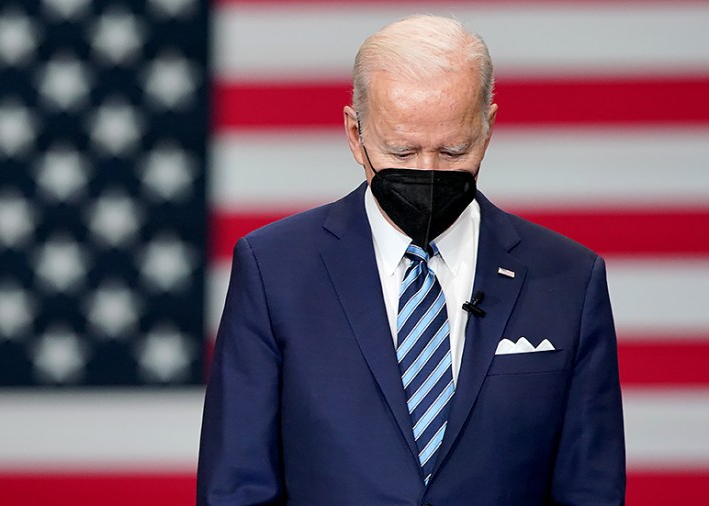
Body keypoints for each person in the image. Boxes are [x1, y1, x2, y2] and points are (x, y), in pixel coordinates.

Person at [197, 14, 624, 505]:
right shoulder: (274, 270)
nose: (427, 171)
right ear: (355, 135)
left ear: (488, 130)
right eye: (401, 151)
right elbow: (236, 487)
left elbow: (591, 489)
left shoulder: (569, 279)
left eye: (452, 150)